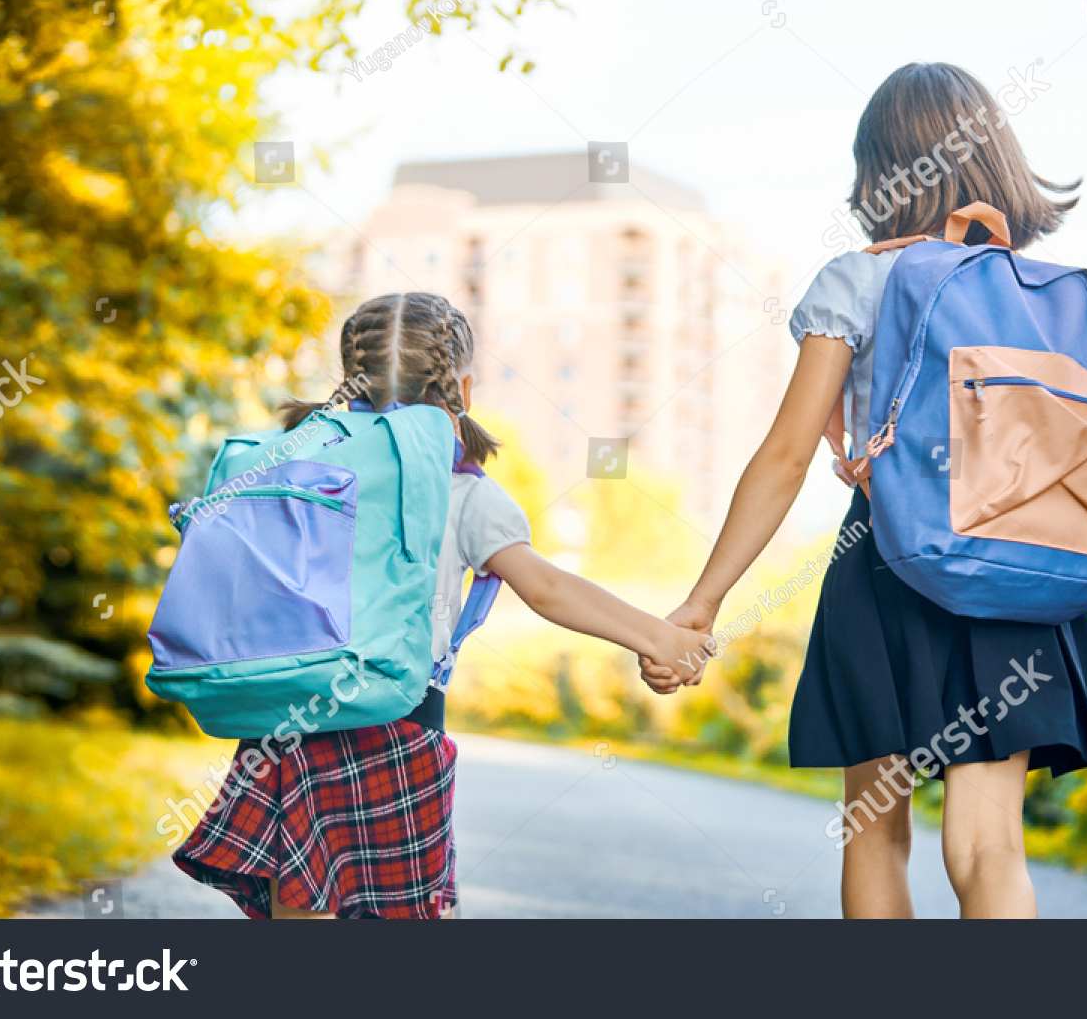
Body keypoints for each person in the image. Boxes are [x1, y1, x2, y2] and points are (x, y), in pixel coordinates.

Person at [641, 63, 1087, 919]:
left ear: (880, 170)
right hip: (1023, 570)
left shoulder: (860, 278)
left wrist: (702, 600)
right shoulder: (1045, 294)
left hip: (892, 563)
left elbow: (787, 455)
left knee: (875, 827)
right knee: (991, 844)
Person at [173, 291, 711, 919]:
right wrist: (659, 637)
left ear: (351, 380)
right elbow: (549, 589)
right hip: (398, 732)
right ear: (464, 387)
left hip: (288, 730)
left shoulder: (300, 472)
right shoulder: (464, 494)